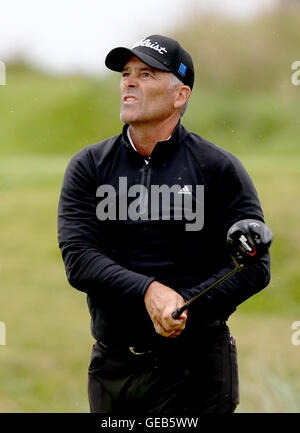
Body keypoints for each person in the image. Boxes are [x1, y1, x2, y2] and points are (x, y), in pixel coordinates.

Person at [57, 34, 271, 414]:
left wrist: (189, 306)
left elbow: (255, 267)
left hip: (197, 370)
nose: (129, 82)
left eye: (147, 74)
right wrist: (148, 291)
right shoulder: (89, 166)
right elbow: (79, 258)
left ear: (180, 95)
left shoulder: (218, 168)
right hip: (113, 368)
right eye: (125, 74)